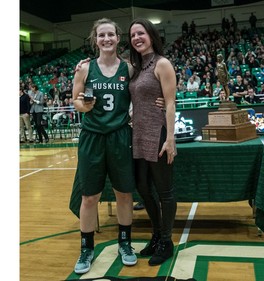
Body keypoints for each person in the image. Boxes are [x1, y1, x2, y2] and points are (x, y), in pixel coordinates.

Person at [71, 18, 138, 274]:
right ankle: (86, 248)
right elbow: (75, 99)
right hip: (92, 136)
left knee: (124, 193)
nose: (107, 39)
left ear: (118, 38)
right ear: (95, 39)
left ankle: (125, 243)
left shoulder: (129, 68)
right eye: (102, 35)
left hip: (120, 136)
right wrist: (82, 105)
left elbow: (141, 93)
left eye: (111, 34)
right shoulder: (84, 68)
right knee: (89, 196)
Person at [128, 18, 177, 266]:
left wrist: (170, 138)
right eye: (133, 35)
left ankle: (166, 241)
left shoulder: (162, 63)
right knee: (143, 188)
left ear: (151, 35)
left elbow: (170, 102)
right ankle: (156, 235)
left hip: (158, 132)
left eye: (141, 33)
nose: (137, 37)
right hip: (137, 134)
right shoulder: (136, 68)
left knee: (164, 191)